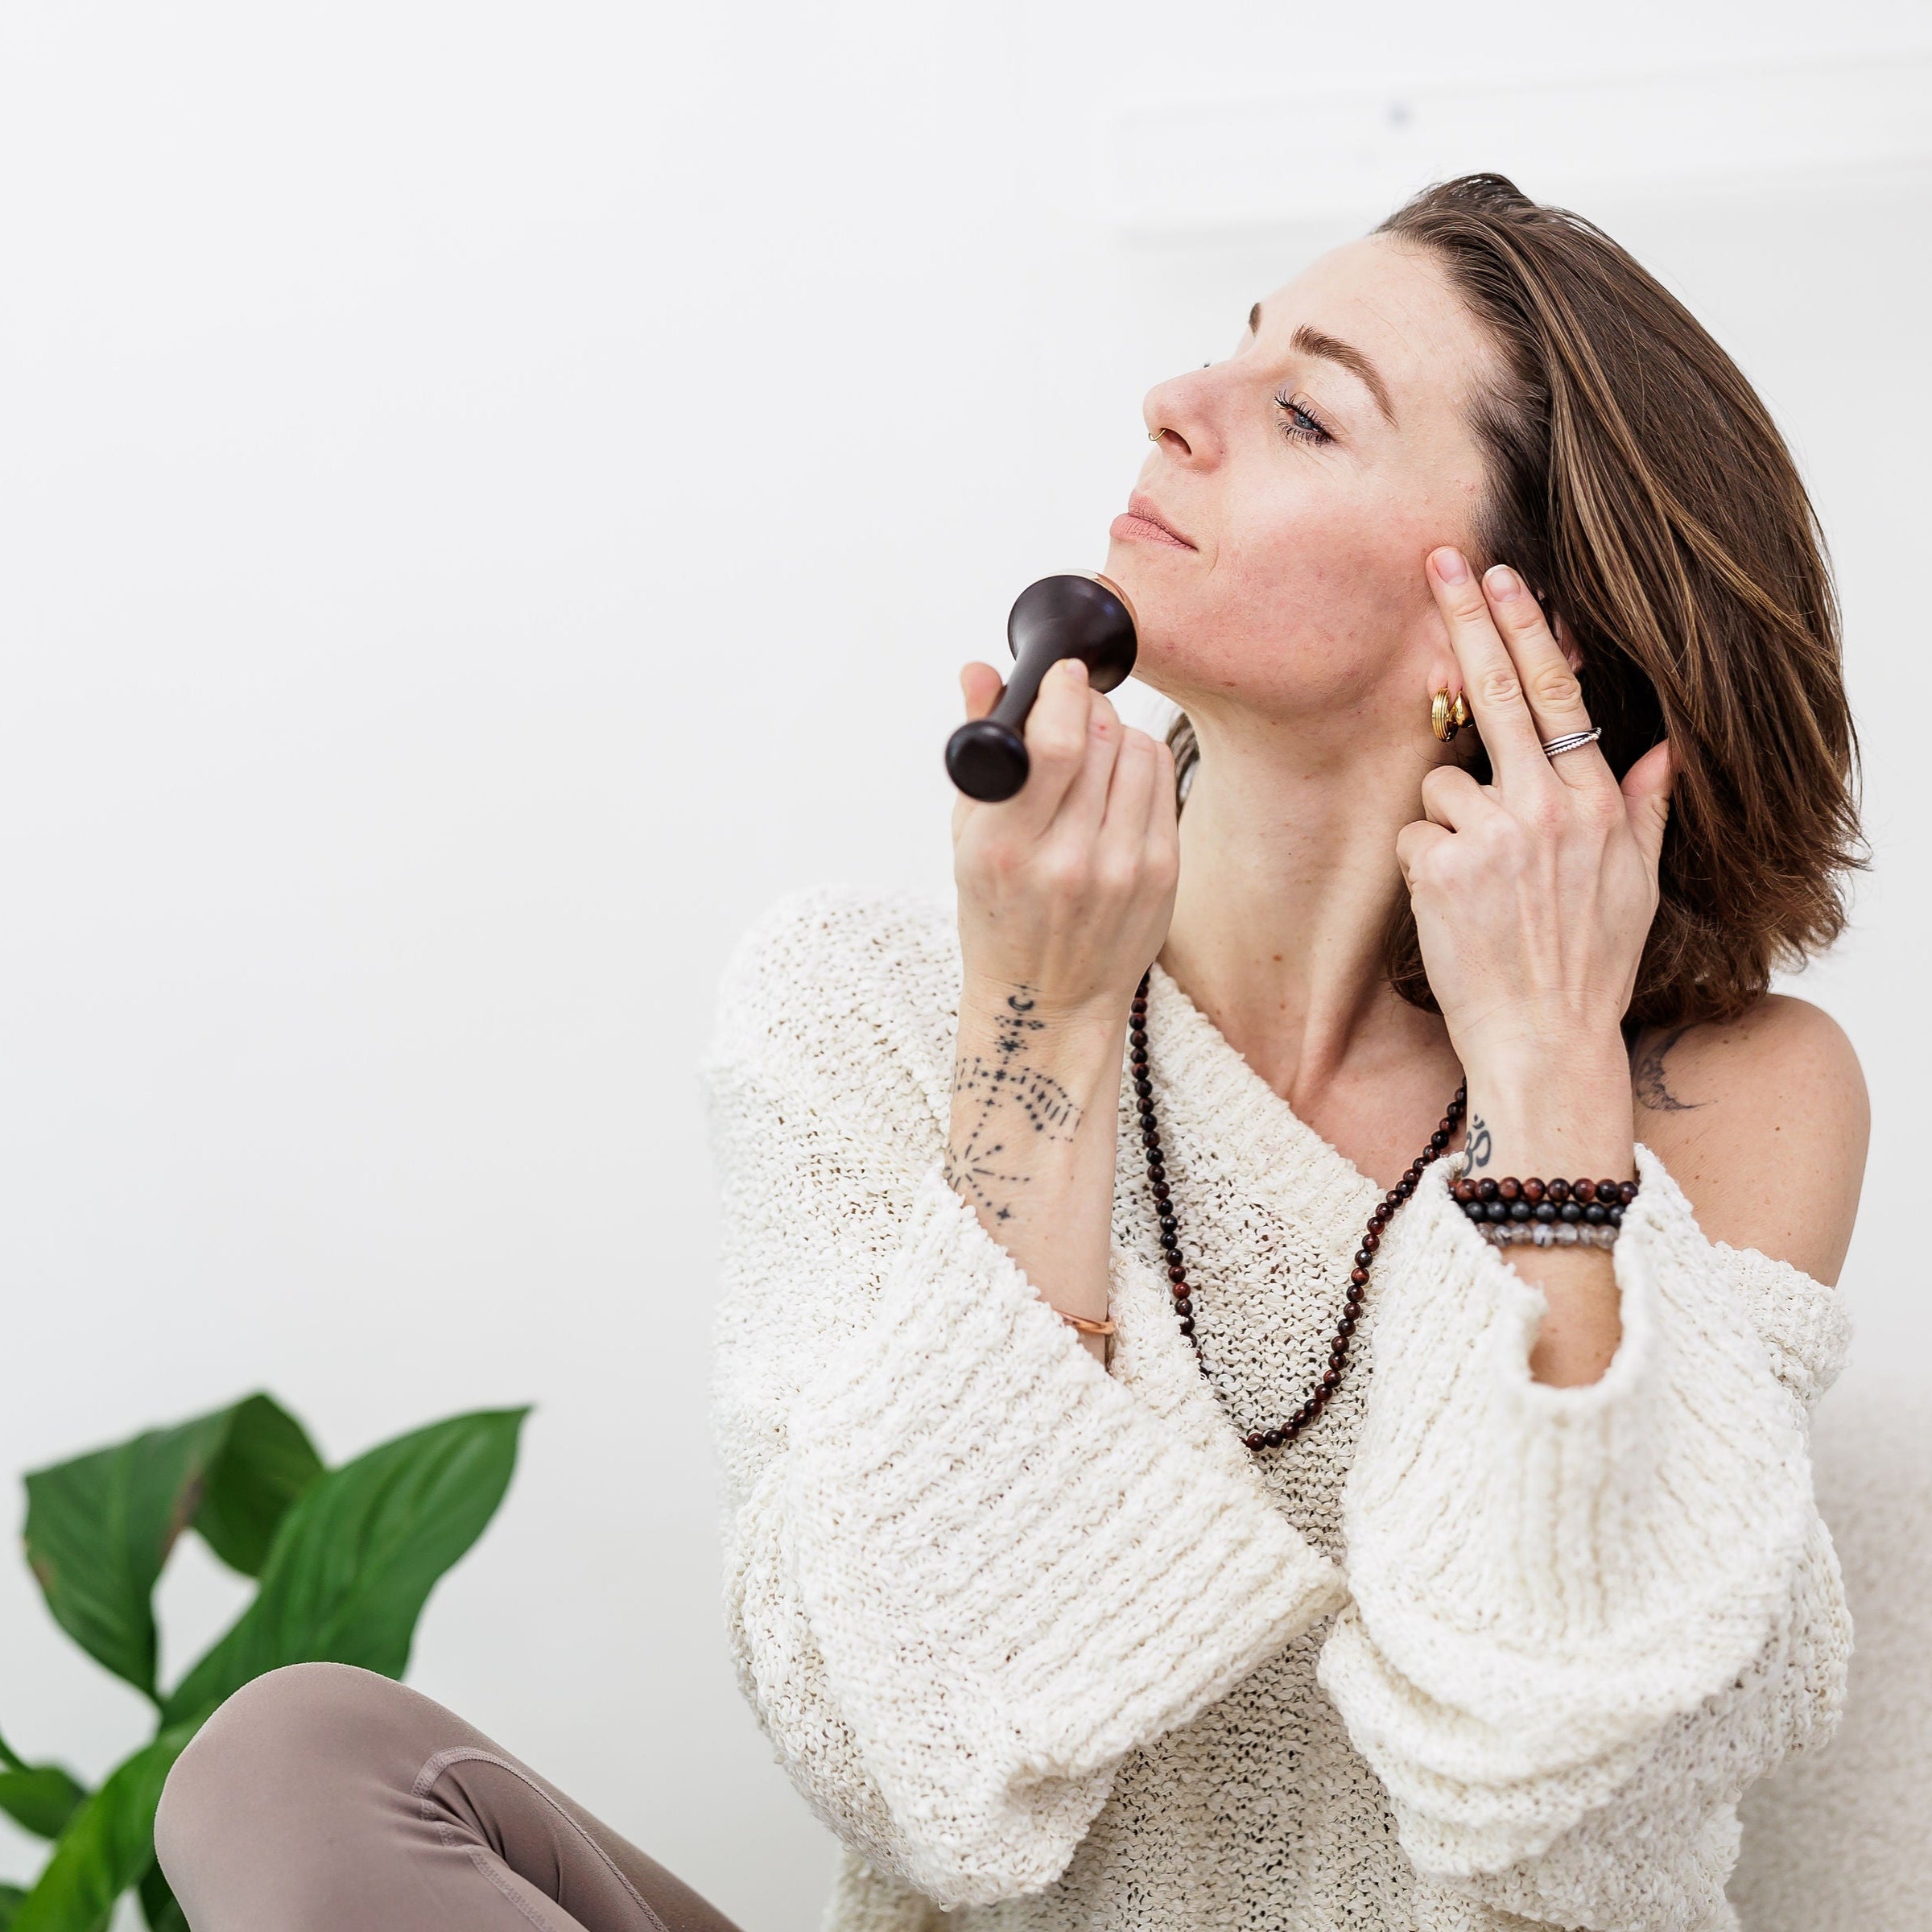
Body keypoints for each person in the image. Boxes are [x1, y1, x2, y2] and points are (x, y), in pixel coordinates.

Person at [155, 174, 1868, 1932]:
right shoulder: (868, 1004)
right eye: (1233, 349)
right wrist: (1038, 1019)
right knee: (293, 1761)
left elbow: (1578, 1817)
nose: (1176, 404)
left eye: (1304, 411)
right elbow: (909, 1765)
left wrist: (1550, 1075)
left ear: (1506, 633)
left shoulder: (1729, 1099)